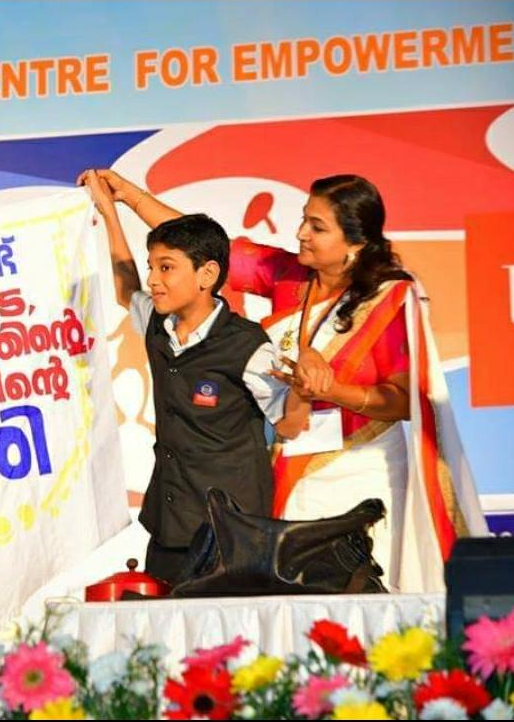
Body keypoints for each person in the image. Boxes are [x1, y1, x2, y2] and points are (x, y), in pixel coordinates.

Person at [87, 168, 487, 591]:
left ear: (356, 242)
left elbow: (403, 400)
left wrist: (332, 391)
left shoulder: (388, 297)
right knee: (293, 600)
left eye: (317, 226)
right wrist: (129, 197)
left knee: (360, 594)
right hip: (290, 464)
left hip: (361, 468)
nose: (301, 234)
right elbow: (201, 248)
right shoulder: (289, 276)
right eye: (303, 220)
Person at [79, 170, 291, 584]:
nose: (153, 280)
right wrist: (109, 214)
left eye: (167, 268)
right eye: (152, 267)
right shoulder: (158, 325)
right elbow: (127, 289)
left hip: (231, 533)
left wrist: (309, 388)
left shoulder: (248, 345)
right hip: (169, 524)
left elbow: (290, 421)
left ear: (206, 275)